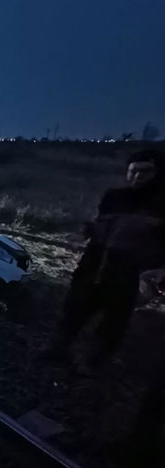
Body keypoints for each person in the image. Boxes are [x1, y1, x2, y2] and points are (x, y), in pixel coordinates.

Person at [41, 149, 165, 370]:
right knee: (73, 310)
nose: (137, 177)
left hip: (128, 275)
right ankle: (56, 349)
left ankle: (90, 363)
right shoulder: (114, 197)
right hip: (94, 266)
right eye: (133, 171)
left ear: (158, 172)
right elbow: (102, 227)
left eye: (144, 172)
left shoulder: (161, 205)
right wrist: (90, 230)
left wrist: (158, 272)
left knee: (112, 324)